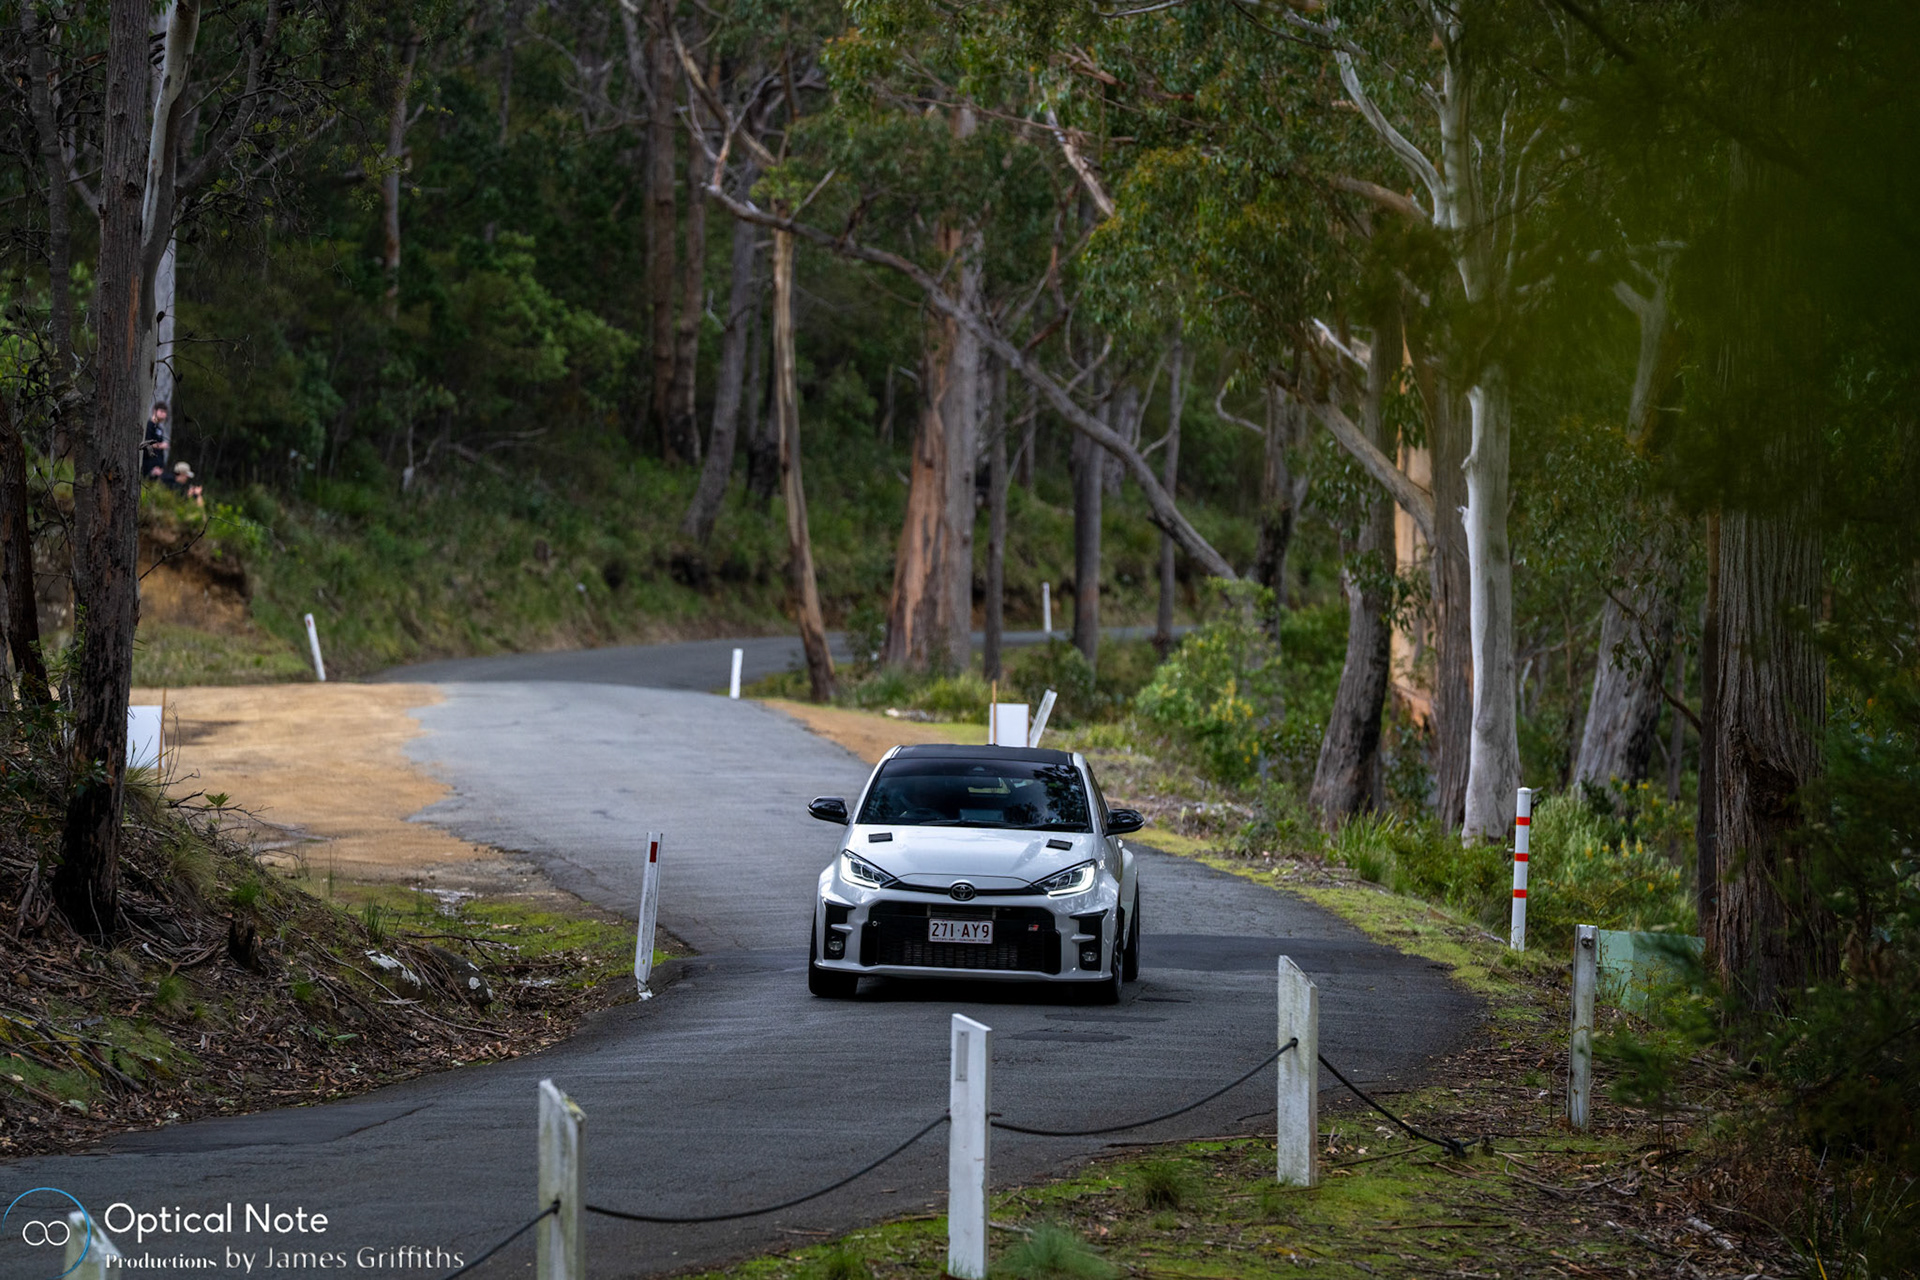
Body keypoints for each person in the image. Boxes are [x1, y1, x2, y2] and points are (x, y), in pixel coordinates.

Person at [142, 403, 170, 479]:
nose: (163, 414)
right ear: (154, 411)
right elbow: (146, 443)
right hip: (148, 462)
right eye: (161, 411)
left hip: (157, 465)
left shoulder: (160, 428)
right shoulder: (149, 425)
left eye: (165, 412)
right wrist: (161, 445)